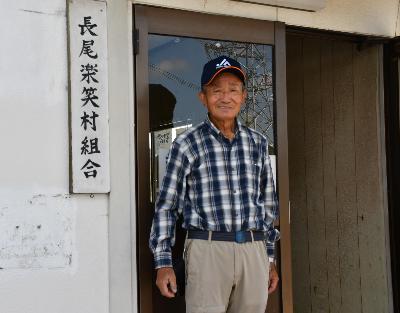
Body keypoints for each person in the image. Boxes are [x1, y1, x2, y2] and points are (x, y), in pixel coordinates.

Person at [149, 55, 280, 313]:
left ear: (243, 97)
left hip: (253, 251)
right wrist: (162, 262)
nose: (225, 97)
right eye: (216, 91)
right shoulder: (187, 144)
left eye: (233, 90)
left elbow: (267, 205)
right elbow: (167, 205)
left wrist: (270, 258)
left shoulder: (258, 143)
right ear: (203, 98)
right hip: (206, 249)